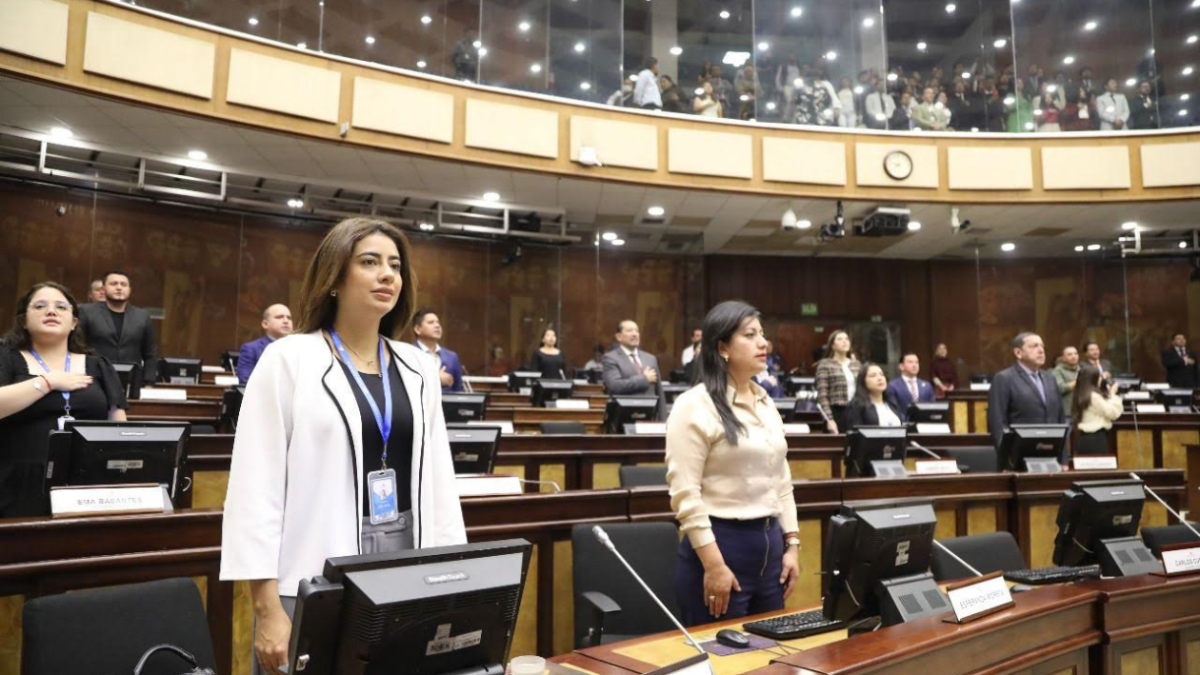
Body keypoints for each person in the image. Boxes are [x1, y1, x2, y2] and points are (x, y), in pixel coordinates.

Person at [220, 217, 466, 675]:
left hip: (407, 568)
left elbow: (439, 480)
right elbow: (256, 491)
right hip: (313, 573)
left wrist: (450, 580)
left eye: (395, 265)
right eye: (369, 262)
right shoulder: (289, 359)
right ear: (334, 277)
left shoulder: (417, 366)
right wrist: (267, 607)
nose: (387, 274)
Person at [665, 300, 799, 626]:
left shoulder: (766, 402)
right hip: (721, 545)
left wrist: (792, 544)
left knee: (771, 656)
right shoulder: (694, 405)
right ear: (722, 347)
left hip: (770, 547)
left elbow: (781, 481)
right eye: (750, 335)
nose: (763, 343)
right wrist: (713, 564)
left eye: (762, 334)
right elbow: (685, 494)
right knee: (724, 659)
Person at [0, 282, 128, 517]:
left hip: (87, 482)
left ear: (74, 322)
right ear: (24, 321)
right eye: (40, 306)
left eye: (61, 307)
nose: (51, 311)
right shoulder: (7, 357)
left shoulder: (98, 365)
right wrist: (48, 382)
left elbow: (118, 427)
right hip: (18, 482)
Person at [986, 332, 1066, 450]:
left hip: (1051, 453)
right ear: (1018, 353)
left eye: (1042, 346)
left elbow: (1060, 418)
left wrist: (1063, 457)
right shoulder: (1004, 378)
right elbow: (998, 422)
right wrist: (1007, 458)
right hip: (1019, 454)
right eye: (1034, 346)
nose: (1041, 350)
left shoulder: (1050, 378)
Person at [77, 270, 158, 382]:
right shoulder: (86, 312)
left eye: (123, 284)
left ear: (129, 290)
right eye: (114, 284)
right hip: (95, 380)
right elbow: (77, 346)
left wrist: (149, 383)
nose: (119, 287)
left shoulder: (142, 316)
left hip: (131, 381)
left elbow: (150, 354)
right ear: (104, 289)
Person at [814, 330, 861, 434]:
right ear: (833, 345)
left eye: (847, 339)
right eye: (840, 339)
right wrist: (829, 419)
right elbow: (822, 395)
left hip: (856, 411)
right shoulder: (825, 365)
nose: (844, 341)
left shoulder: (856, 364)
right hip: (836, 411)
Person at [236, 304, 293, 385]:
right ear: (265, 324)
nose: (286, 321)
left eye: (289, 318)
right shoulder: (251, 349)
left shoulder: (300, 348)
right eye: (279, 317)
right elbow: (245, 380)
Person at [1073, 363, 1123, 456]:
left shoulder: (1082, 393)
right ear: (1093, 378)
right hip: (1095, 438)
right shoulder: (1094, 396)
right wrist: (1113, 394)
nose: (1101, 379)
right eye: (1099, 376)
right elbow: (1113, 413)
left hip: (1084, 438)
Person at [601, 320, 659, 396]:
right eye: (629, 331)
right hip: (625, 407)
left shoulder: (651, 358)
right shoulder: (611, 358)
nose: (635, 334)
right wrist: (644, 379)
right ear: (619, 337)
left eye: (637, 331)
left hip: (650, 407)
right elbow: (614, 386)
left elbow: (658, 391)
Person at [413, 309, 463, 393]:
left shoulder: (452, 357)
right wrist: (435, 378)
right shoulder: (408, 354)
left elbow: (459, 390)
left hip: (446, 405)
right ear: (418, 329)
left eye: (438, 322)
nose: (437, 325)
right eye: (431, 322)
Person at [842, 363, 904, 430]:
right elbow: (854, 434)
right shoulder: (856, 405)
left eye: (882, 374)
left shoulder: (891, 402)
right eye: (873, 376)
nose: (880, 378)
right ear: (863, 381)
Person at [886, 352, 934, 418]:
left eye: (916, 362)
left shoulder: (927, 386)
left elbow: (933, 406)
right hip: (903, 424)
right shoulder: (893, 386)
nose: (914, 365)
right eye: (910, 362)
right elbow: (894, 409)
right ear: (901, 366)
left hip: (924, 423)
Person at [1052, 346, 1081, 417]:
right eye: (1070, 354)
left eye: (1075, 354)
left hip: (1081, 410)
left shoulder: (1082, 369)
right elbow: (1060, 388)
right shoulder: (1058, 371)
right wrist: (1079, 380)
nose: (1073, 356)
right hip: (1067, 412)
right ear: (1063, 358)